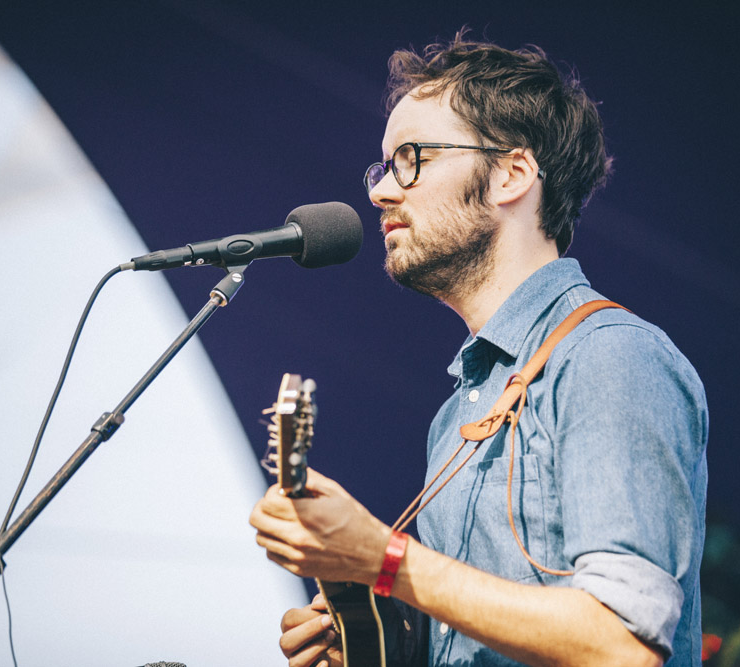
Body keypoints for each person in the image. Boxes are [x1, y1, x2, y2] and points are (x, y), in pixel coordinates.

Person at [250, 32, 708, 667]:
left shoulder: (608, 358)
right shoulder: (457, 413)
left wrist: (383, 560)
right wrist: (378, 642)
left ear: (511, 175)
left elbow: (622, 644)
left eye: (411, 159)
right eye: (383, 167)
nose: (381, 191)